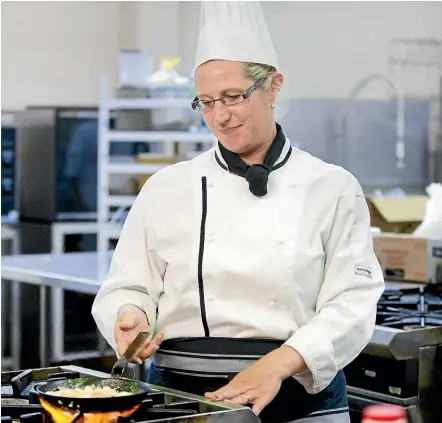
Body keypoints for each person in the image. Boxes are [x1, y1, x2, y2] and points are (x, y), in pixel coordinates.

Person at [92, 2, 385, 422]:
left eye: (232, 97)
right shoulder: (166, 188)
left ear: (274, 86)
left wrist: (281, 362)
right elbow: (129, 285)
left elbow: (352, 304)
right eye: (206, 102)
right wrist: (130, 316)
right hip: (176, 402)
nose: (220, 116)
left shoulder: (332, 187)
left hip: (297, 400)